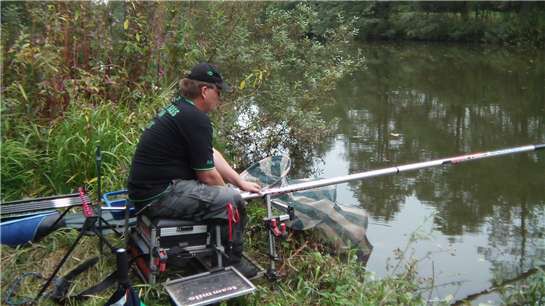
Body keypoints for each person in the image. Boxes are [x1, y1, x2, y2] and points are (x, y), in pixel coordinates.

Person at [127, 62, 261, 276]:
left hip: (147, 190)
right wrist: (229, 193)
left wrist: (239, 181)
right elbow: (207, 176)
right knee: (231, 201)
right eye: (218, 91)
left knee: (226, 193)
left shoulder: (180, 108)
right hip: (159, 195)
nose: (220, 97)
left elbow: (210, 153)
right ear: (205, 91)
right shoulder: (195, 118)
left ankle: (212, 248)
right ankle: (232, 262)